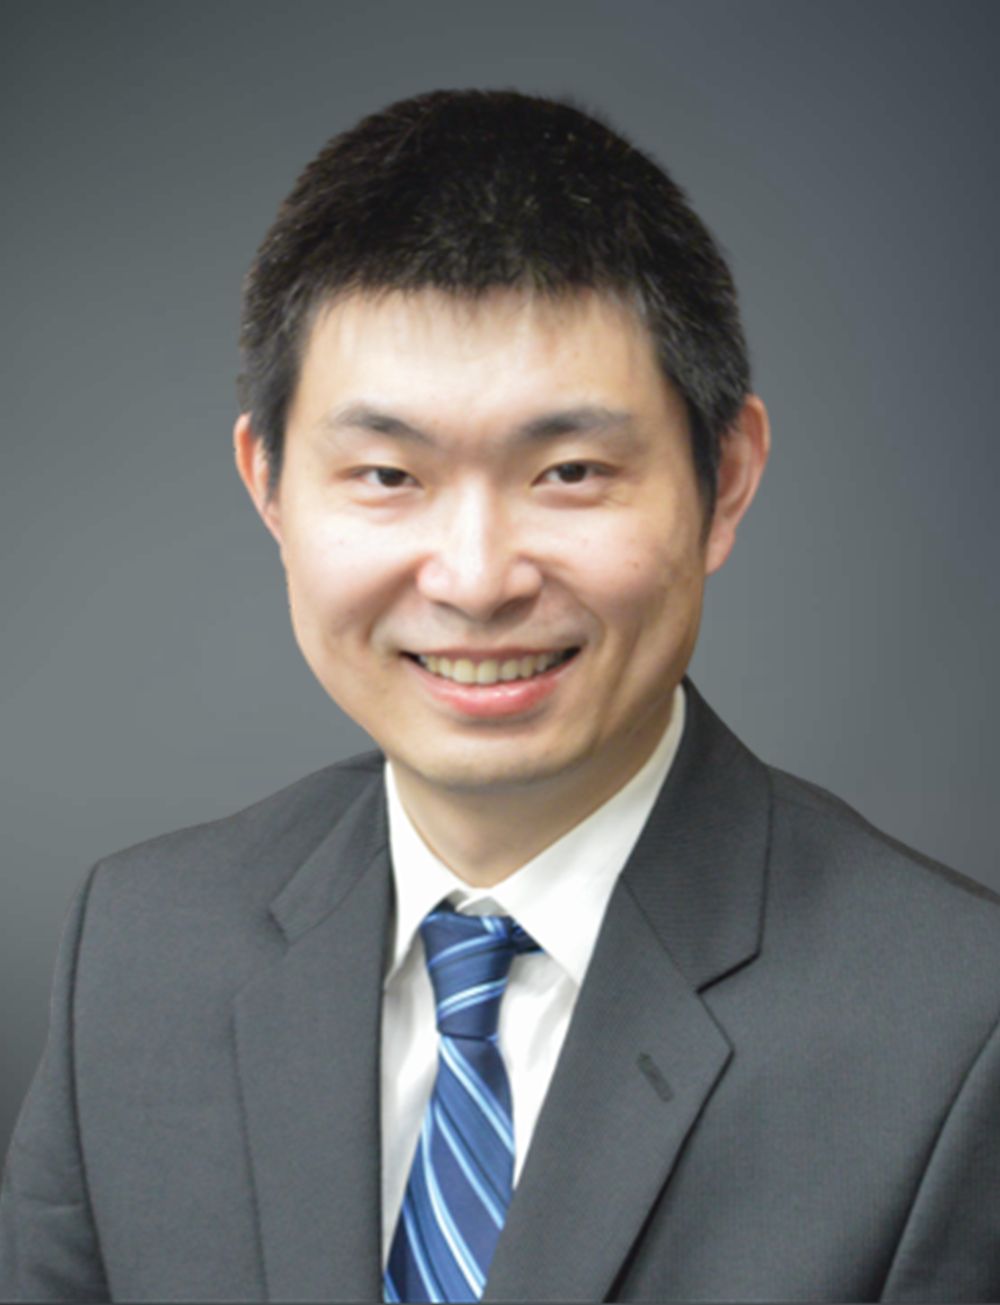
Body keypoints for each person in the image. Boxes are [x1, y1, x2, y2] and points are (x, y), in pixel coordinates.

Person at [2, 88, 999, 1305]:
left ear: (723, 481)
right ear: (269, 486)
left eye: (569, 472)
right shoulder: (138, 948)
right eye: (386, 473)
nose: (474, 582)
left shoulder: (958, 1030)